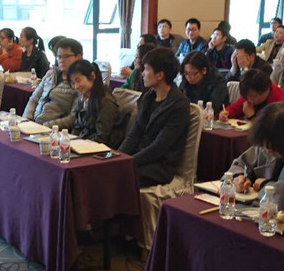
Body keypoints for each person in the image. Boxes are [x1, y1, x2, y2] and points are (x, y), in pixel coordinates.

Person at [120, 47, 190, 186]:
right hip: (139, 158)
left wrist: (128, 161)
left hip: (159, 166)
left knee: (116, 176)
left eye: (146, 69)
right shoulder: (148, 97)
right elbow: (135, 132)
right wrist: (118, 156)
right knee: (105, 168)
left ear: (160, 75)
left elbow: (160, 146)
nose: (142, 74)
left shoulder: (179, 105)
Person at [65, 60, 124, 147]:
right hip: (83, 144)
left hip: (99, 148)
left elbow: (101, 137)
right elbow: (77, 126)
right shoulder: (82, 97)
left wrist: (80, 144)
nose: (76, 86)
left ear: (92, 76)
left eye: (78, 80)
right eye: (73, 83)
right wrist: (73, 141)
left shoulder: (106, 101)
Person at [23, 38, 83, 124]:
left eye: (66, 56)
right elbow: (34, 99)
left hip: (54, 128)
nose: (61, 60)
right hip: (34, 124)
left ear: (78, 57)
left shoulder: (79, 82)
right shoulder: (50, 74)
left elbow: (73, 118)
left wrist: (46, 126)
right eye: (59, 57)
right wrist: (27, 119)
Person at [219, 69, 284, 121]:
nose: (249, 100)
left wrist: (252, 116)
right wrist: (225, 114)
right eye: (246, 96)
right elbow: (233, 109)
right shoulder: (250, 94)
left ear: (265, 90)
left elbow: (273, 131)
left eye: (253, 96)